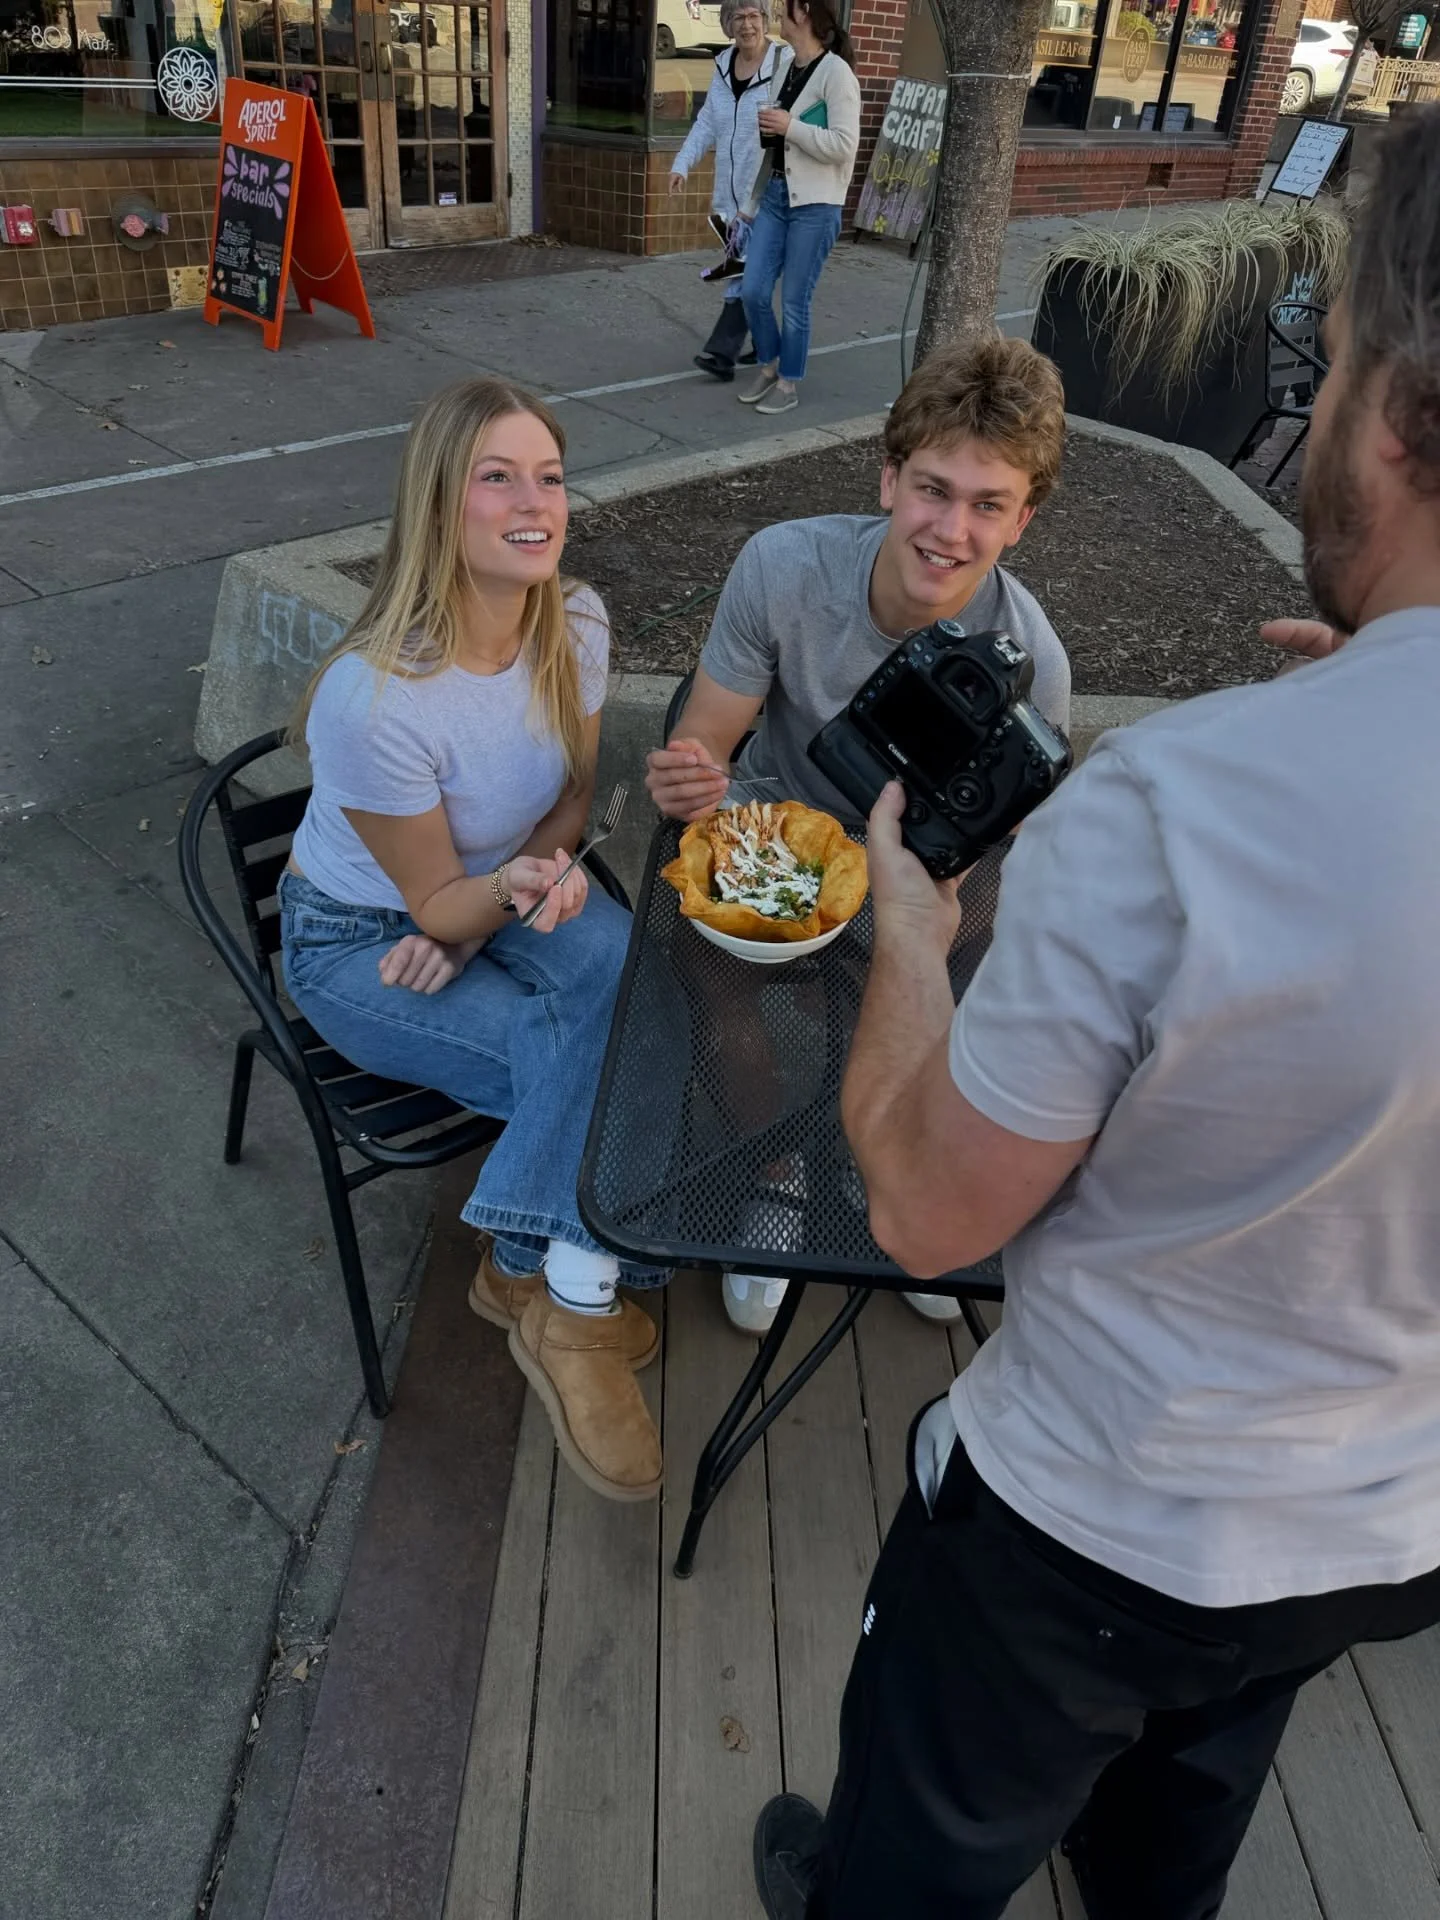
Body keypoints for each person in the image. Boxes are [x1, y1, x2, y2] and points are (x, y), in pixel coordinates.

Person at [750, 107, 1440, 1920]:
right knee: (1180, 1829)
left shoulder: (1180, 806)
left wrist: (912, 936)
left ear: (1390, 411)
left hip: (1095, 1526)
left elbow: (924, 1213)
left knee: (910, 1850)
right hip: (1386, 1533)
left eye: (1332, 349)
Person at [279, 377, 666, 1506]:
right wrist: (463, 916)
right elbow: (431, 902)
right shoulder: (377, 699)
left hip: (494, 893)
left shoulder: (573, 622)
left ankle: (523, 1264)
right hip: (357, 942)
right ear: (440, 503)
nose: (533, 499)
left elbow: (576, 795)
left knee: (646, 1012)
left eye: (548, 475)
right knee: (599, 1059)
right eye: (498, 476)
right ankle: (565, 1302)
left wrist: (514, 891)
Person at [645, 336, 1071, 1334]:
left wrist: (921, 916)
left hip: (930, 869)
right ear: (888, 477)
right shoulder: (785, 568)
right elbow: (705, 748)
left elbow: (1012, 845)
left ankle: (885, 1168)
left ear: (1023, 522)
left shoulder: (1034, 669)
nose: (950, 530)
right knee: (706, 969)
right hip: (781, 833)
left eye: (987, 504)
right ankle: (780, 1168)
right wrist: (689, 779)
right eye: (933, 489)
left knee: (977, 986)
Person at [735, 0, 861, 416]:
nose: (775, 15)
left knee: (794, 300)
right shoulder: (787, 65)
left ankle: (788, 382)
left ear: (803, 13)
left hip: (816, 205)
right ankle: (770, 364)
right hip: (774, 197)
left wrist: (792, 126)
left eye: (781, 9)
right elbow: (775, 150)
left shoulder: (836, 73)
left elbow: (843, 146)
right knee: (752, 290)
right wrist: (751, 203)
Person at [669, 0, 781, 382]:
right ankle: (769, 347)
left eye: (754, 16)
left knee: (744, 275)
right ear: (727, 24)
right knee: (751, 275)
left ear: (765, 20)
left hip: (767, 195)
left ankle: (721, 354)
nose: (747, 25)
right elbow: (706, 124)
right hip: (728, 199)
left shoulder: (783, 63)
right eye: (738, 17)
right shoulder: (721, 67)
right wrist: (682, 164)